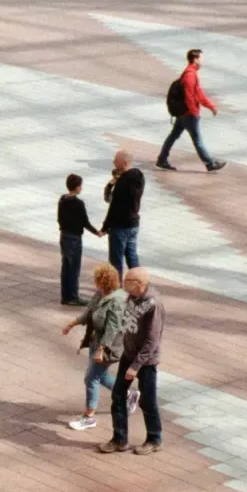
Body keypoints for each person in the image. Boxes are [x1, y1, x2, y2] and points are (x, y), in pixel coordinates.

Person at [98, 267, 163, 455]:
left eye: (128, 280)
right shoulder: (131, 296)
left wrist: (136, 366)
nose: (124, 283)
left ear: (140, 284)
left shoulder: (153, 304)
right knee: (118, 395)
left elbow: (152, 340)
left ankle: (154, 438)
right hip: (128, 354)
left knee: (148, 401)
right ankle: (119, 439)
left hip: (146, 361)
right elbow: (124, 325)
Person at [62, 265, 127, 431]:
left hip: (107, 346)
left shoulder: (117, 301)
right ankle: (128, 393)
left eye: (96, 279)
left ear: (102, 282)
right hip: (95, 341)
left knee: (91, 379)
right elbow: (89, 312)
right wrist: (72, 324)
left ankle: (89, 416)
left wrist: (102, 349)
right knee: (101, 376)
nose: (94, 282)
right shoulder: (100, 294)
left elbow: (113, 328)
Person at [156, 49, 225, 172]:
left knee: (173, 136)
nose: (203, 61)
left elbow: (199, 94)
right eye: (201, 58)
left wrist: (210, 106)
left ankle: (162, 159)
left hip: (183, 113)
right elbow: (190, 96)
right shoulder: (190, 75)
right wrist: (194, 112)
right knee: (197, 140)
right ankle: (209, 163)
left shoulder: (189, 73)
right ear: (195, 59)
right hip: (188, 114)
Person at [57, 173, 102, 306]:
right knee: (74, 268)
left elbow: (59, 218)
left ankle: (65, 295)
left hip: (64, 236)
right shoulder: (78, 203)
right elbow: (84, 222)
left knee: (66, 266)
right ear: (77, 187)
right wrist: (97, 232)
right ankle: (73, 296)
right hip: (75, 238)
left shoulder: (62, 200)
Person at [99, 150, 143, 276]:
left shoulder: (122, 183)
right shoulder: (138, 176)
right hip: (134, 224)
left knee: (115, 263)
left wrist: (105, 227)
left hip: (120, 227)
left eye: (116, 160)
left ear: (124, 163)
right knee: (132, 258)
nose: (113, 162)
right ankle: (140, 286)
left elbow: (113, 206)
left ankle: (116, 291)